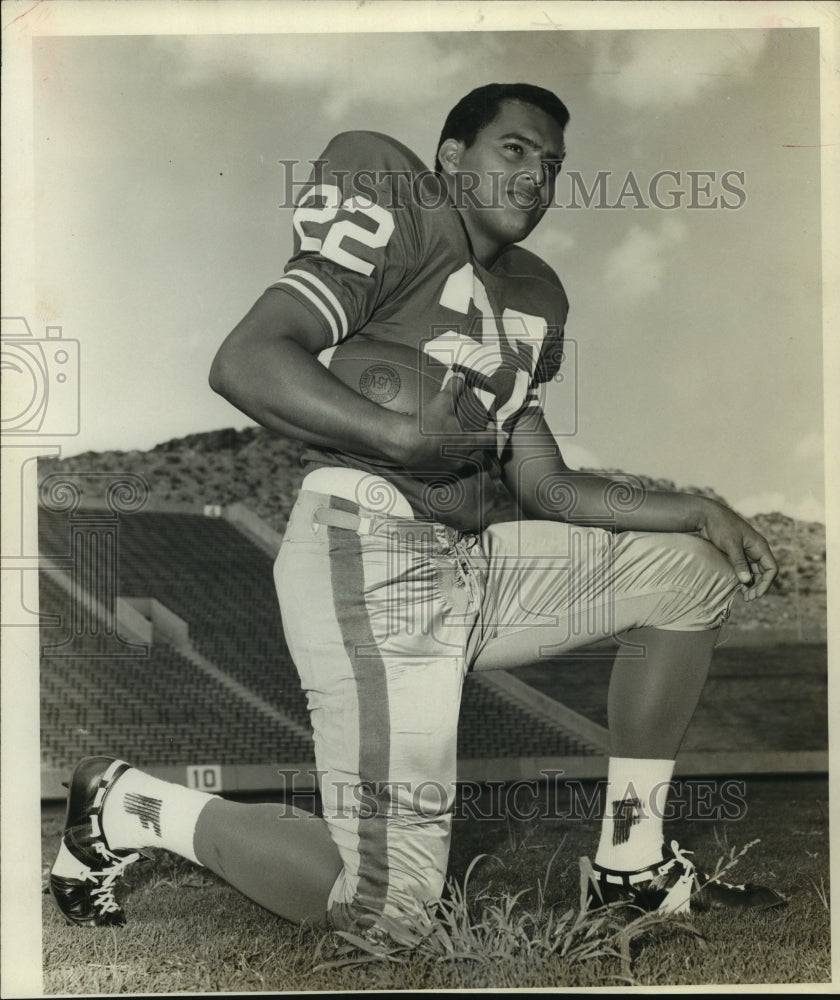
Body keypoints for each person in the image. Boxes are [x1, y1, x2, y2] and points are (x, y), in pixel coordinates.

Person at [50, 83, 785, 938]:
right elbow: (246, 360)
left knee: (690, 574)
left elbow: (546, 488)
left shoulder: (536, 296)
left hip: (468, 561)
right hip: (368, 552)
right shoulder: (395, 213)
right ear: (449, 159)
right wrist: (402, 438)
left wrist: (695, 507)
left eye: (551, 164)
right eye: (514, 150)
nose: (536, 177)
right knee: (391, 915)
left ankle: (631, 864)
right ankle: (128, 805)